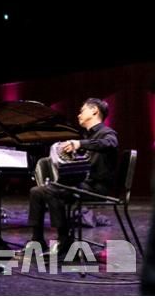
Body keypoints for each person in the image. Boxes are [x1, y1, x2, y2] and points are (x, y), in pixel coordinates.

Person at [24, 98, 119, 256]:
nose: (79, 115)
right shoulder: (88, 136)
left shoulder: (107, 133)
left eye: (82, 111)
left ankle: (64, 241)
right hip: (83, 184)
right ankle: (37, 241)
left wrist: (80, 144)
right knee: (36, 191)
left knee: (52, 190)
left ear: (95, 111)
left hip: (96, 188)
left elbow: (110, 144)